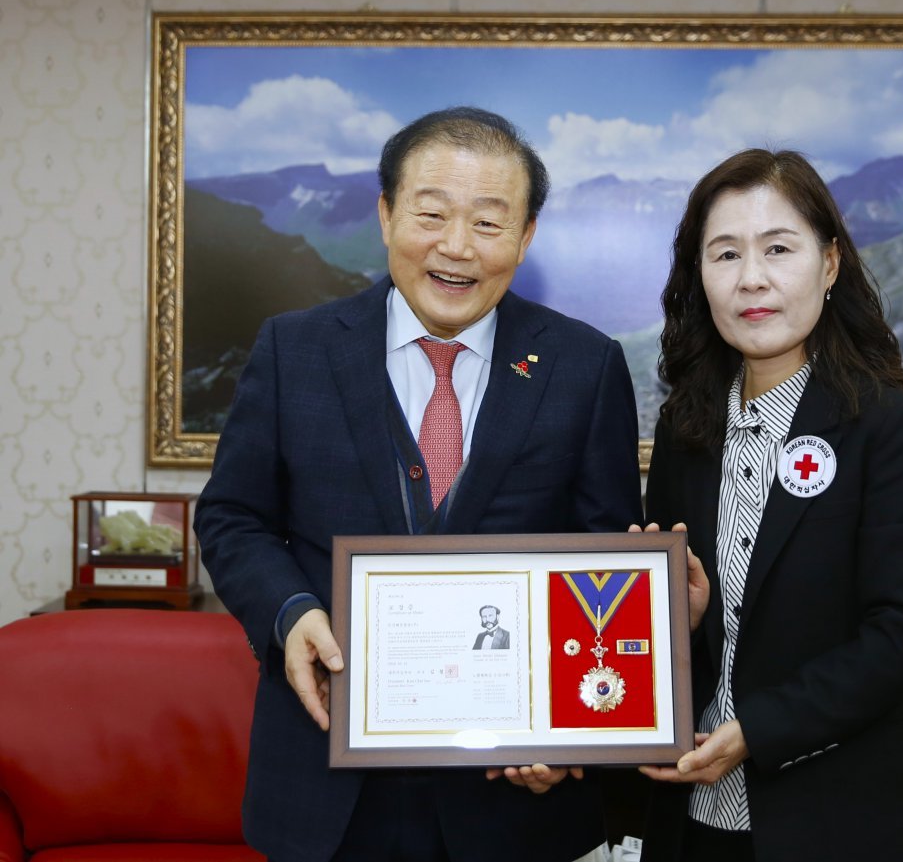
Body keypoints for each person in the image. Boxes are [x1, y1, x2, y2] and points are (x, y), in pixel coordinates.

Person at [194, 107, 642, 862]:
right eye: (431, 214)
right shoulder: (294, 350)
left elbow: (604, 561)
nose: (456, 247)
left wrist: (569, 729)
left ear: (526, 236)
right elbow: (232, 516)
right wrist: (290, 613)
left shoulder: (583, 365)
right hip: (326, 784)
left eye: (489, 223)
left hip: (512, 798)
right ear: (385, 214)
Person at [635, 149, 903, 861]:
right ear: (699, 276)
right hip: (690, 810)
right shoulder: (685, 429)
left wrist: (758, 730)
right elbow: (680, 635)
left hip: (835, 816)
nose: (752, 278)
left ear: (830, 263)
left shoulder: (888, 426)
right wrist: (682, 617)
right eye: (726, 254)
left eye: (778, 249)